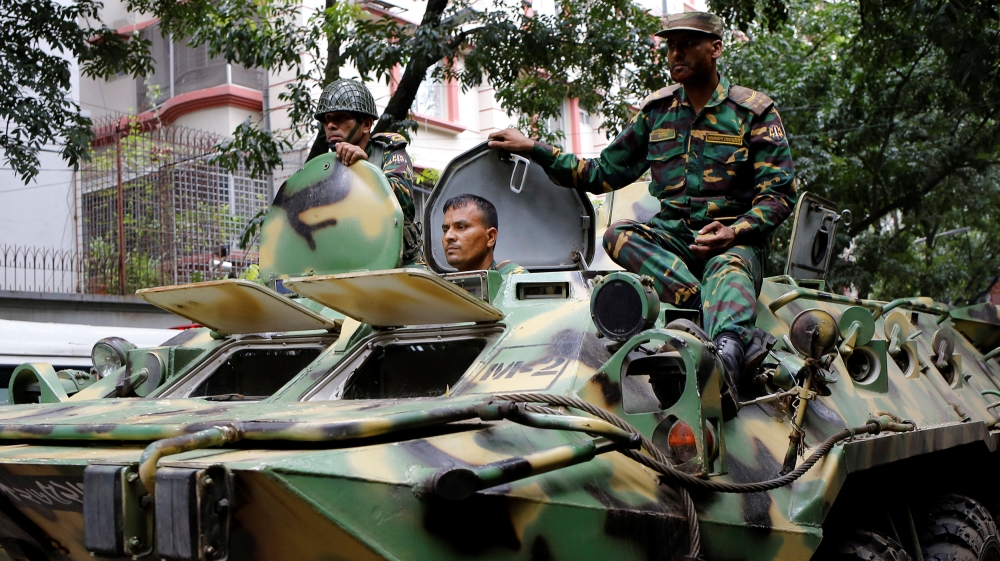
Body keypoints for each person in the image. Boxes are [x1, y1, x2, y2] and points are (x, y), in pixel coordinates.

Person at [486, 12, 796, 419]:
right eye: (670, 45)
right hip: (671, 246)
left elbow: (779, 195)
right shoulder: (657, 112)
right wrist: (535, 149)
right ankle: (700, 307)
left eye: (687, 42)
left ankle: (726, 365)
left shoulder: (753, 112)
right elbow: (600, 175)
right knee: (618, 235)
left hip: (731, 243)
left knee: (729, 268)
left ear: (715, 49)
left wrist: (734, 231)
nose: (676, 52)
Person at [313, 79, 422, 264]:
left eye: (340, 117)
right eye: (327, 119)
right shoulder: (323, 169)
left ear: (366, 124)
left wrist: (364, 170)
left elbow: (402, 204)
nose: (330, 125)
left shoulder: (389, 151)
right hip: (342, 262)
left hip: (394, 265)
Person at [441, 194, 525, 275]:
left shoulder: (512, 279)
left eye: (461, 227)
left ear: (490, 237)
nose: (448, 236)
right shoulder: (439, 285)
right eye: (445, 230)